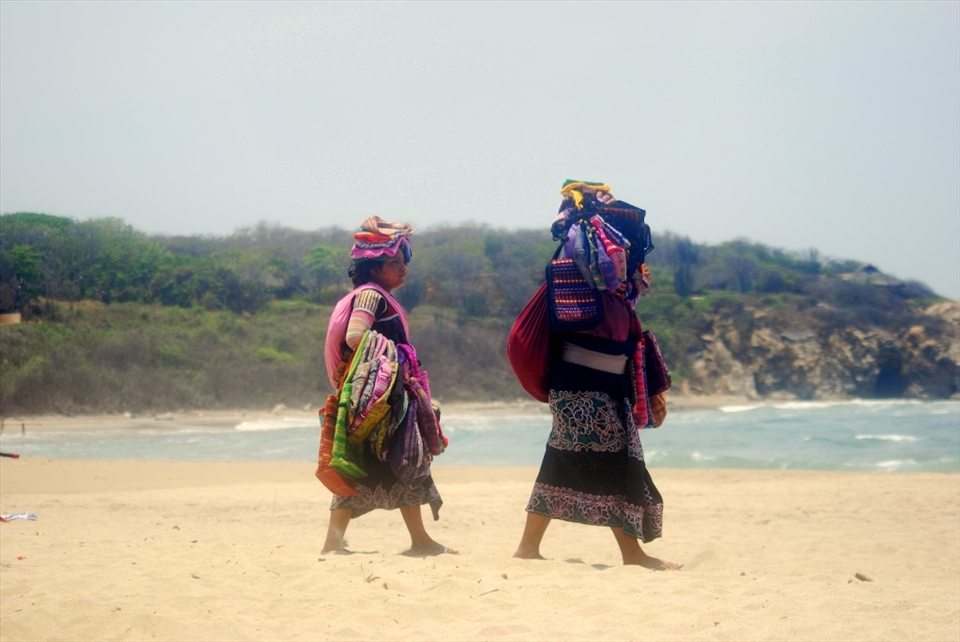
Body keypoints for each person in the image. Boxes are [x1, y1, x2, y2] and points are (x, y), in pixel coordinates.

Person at [512, 181, 680, 570]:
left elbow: (625, 330)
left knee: (563, 460)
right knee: (616, 463)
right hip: (581, 386)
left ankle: (528, 549)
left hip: (599, 387)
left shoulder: (612, 287)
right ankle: (633, 554)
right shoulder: (581, 272)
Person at [319, 216, 455, 556]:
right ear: (375, 268)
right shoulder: (370, 298)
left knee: (380, 465)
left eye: (403, 261)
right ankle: (418, 541)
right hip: (382, 402)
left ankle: (336, 542)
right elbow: (355, 336)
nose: (403, 268)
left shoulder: (376, 295)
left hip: (384, 399)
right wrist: (393, 359)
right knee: (407, 460)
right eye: (394, 262)